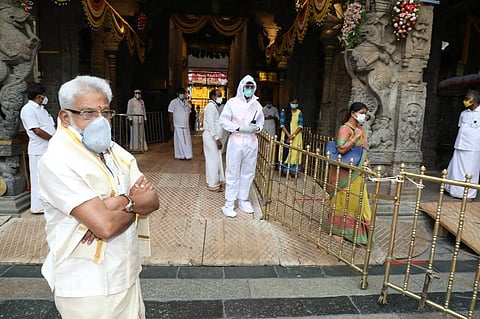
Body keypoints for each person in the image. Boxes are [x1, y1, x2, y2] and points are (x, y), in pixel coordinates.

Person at [38, 75, 159, 319]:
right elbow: (105, 226)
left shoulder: (114, 151)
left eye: (104, 112)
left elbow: (153, 200)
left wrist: (118, 204)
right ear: (65, 116)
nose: (100, 121)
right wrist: (132, 204)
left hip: (125, 272)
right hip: (86, 284)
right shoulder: (57, 159)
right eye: (88, 113)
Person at [219, 75, 264, 217]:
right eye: (247, 86)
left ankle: (243, 199)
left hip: (251, 141)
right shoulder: (232, 103)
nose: (249, 89)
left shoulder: (257, 105)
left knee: (248, 171)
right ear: (242, 87)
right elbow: (224, 121)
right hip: (237, 140)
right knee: (232, 171)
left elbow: (260, 123)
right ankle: (229, 203)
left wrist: (255, 129)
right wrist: (239, 128)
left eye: (252, 87)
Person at [327, 101, 372, 244]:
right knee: (342, 200)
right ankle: (338, 231)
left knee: (357, 201)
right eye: (362, 113)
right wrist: (354, 136)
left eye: (365, 114)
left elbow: (362, 149)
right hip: (344, 174)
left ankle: (357, 233)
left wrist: (366, 161)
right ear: (353, 114)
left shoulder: (360, 129)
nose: (364, 116)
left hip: (357, 172)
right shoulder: (345, 129)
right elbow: (341, 149)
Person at [19, 83, 56, 214]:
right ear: (39, 96)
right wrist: (53, 139)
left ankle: (47, 204)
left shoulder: (42, 110)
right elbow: (37, 130)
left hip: (48, 149)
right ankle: (37, 206)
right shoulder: (28, 110)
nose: (45, 98)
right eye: (44, 95)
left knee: (48, 177)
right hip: (38, 149)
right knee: (38, 177)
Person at [445, 90, 480, 200]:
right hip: (460, 144)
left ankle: (468, 195)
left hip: (473, 147)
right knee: (455, 169)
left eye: (467, 98)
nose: (465, 101)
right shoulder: (463, 113)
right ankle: (454, 191)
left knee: (470, 170)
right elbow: (461, 127)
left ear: (474, 100)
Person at [203, 89, 225, 192]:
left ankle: (213, 182)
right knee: (213, 161)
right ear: (213, 97)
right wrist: (216, 138)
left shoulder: (213, 107)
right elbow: (211, 124)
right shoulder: (210, 107)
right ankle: (213, 185)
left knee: (214, 160)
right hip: (211, 137)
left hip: (212, 137)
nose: (220, 97)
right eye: (218, 95)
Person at [278, 97, 303, 175]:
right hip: (286, 134)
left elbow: (300, 125)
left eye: (296, 103)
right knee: (285, 151)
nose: (294, 105)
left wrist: (293, 135)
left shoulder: (299, 112)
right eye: (293, 103)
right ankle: (284, 171)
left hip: (296, 136)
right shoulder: (284, 112)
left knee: (295, 153)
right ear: (289, 103)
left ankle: (293, 172)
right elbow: (282, 125)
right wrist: (289, 135)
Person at [168, 87, 193, 160]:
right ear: (177, 94)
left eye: (183, 93)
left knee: (187, 140)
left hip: (186, 125)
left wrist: (190, 125)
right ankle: (182, 155)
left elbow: (189, 114)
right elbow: (170, 113)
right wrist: (171, 124)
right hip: (178, 124)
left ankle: (187, 155)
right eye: (181, 93)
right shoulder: (174, 102)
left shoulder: (187, 102)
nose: (182, 95)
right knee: (180, 141)